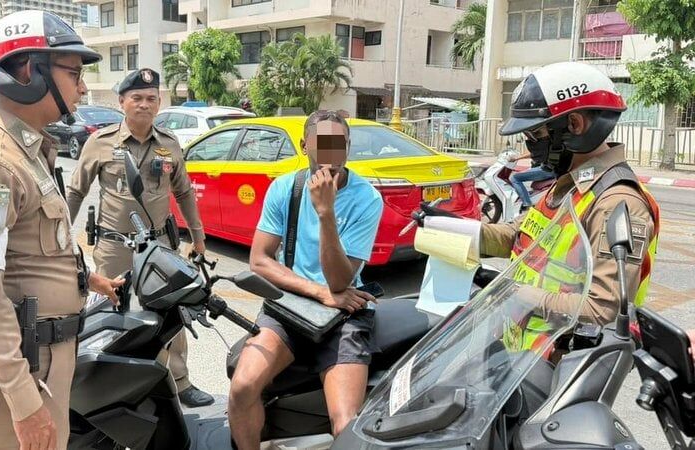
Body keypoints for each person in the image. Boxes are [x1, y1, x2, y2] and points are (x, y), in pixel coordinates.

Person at [0, 11, 124, 449]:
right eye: (75, 74)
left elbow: (36, 250)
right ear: (28, 71)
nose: (83, 88)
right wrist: (24, 404)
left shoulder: (30, 151)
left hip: (48, 360)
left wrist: (86, 280)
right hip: (23, 373)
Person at [425, 62, 660, 333]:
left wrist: (513, 294)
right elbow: (520, 236)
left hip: (567, 362)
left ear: (574, 124)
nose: (530, 146)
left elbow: (603, 310)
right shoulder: (569, 184)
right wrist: (444, 228)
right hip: (529, 355)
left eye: (535, 134)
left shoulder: (617, 202)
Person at [228, 110, 384, 448]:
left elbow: (341, 283)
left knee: (345, 425)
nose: (330, 154)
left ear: (348, 147)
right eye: (321, 144)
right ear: (304, 146)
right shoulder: (285, 188)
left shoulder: (366, 198)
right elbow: (260, 259)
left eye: (338, 144)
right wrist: (317, 292)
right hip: (292, 308)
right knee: (242, 388)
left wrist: (326, 213)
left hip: (344, 315)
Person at [65, 68, 213, 407]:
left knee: (170, 313)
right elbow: (75, 192)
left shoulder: (170, 144)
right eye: (136, 98)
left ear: (159, 103)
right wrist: (62, 237)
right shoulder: (101, 143)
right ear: (122, 102)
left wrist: (198, 235)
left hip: (160, 246)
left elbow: (185, 192)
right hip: (115, 246)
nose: (144, 104)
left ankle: (180, 380)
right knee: (116, 312)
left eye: (150, 99)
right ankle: (118, 384)